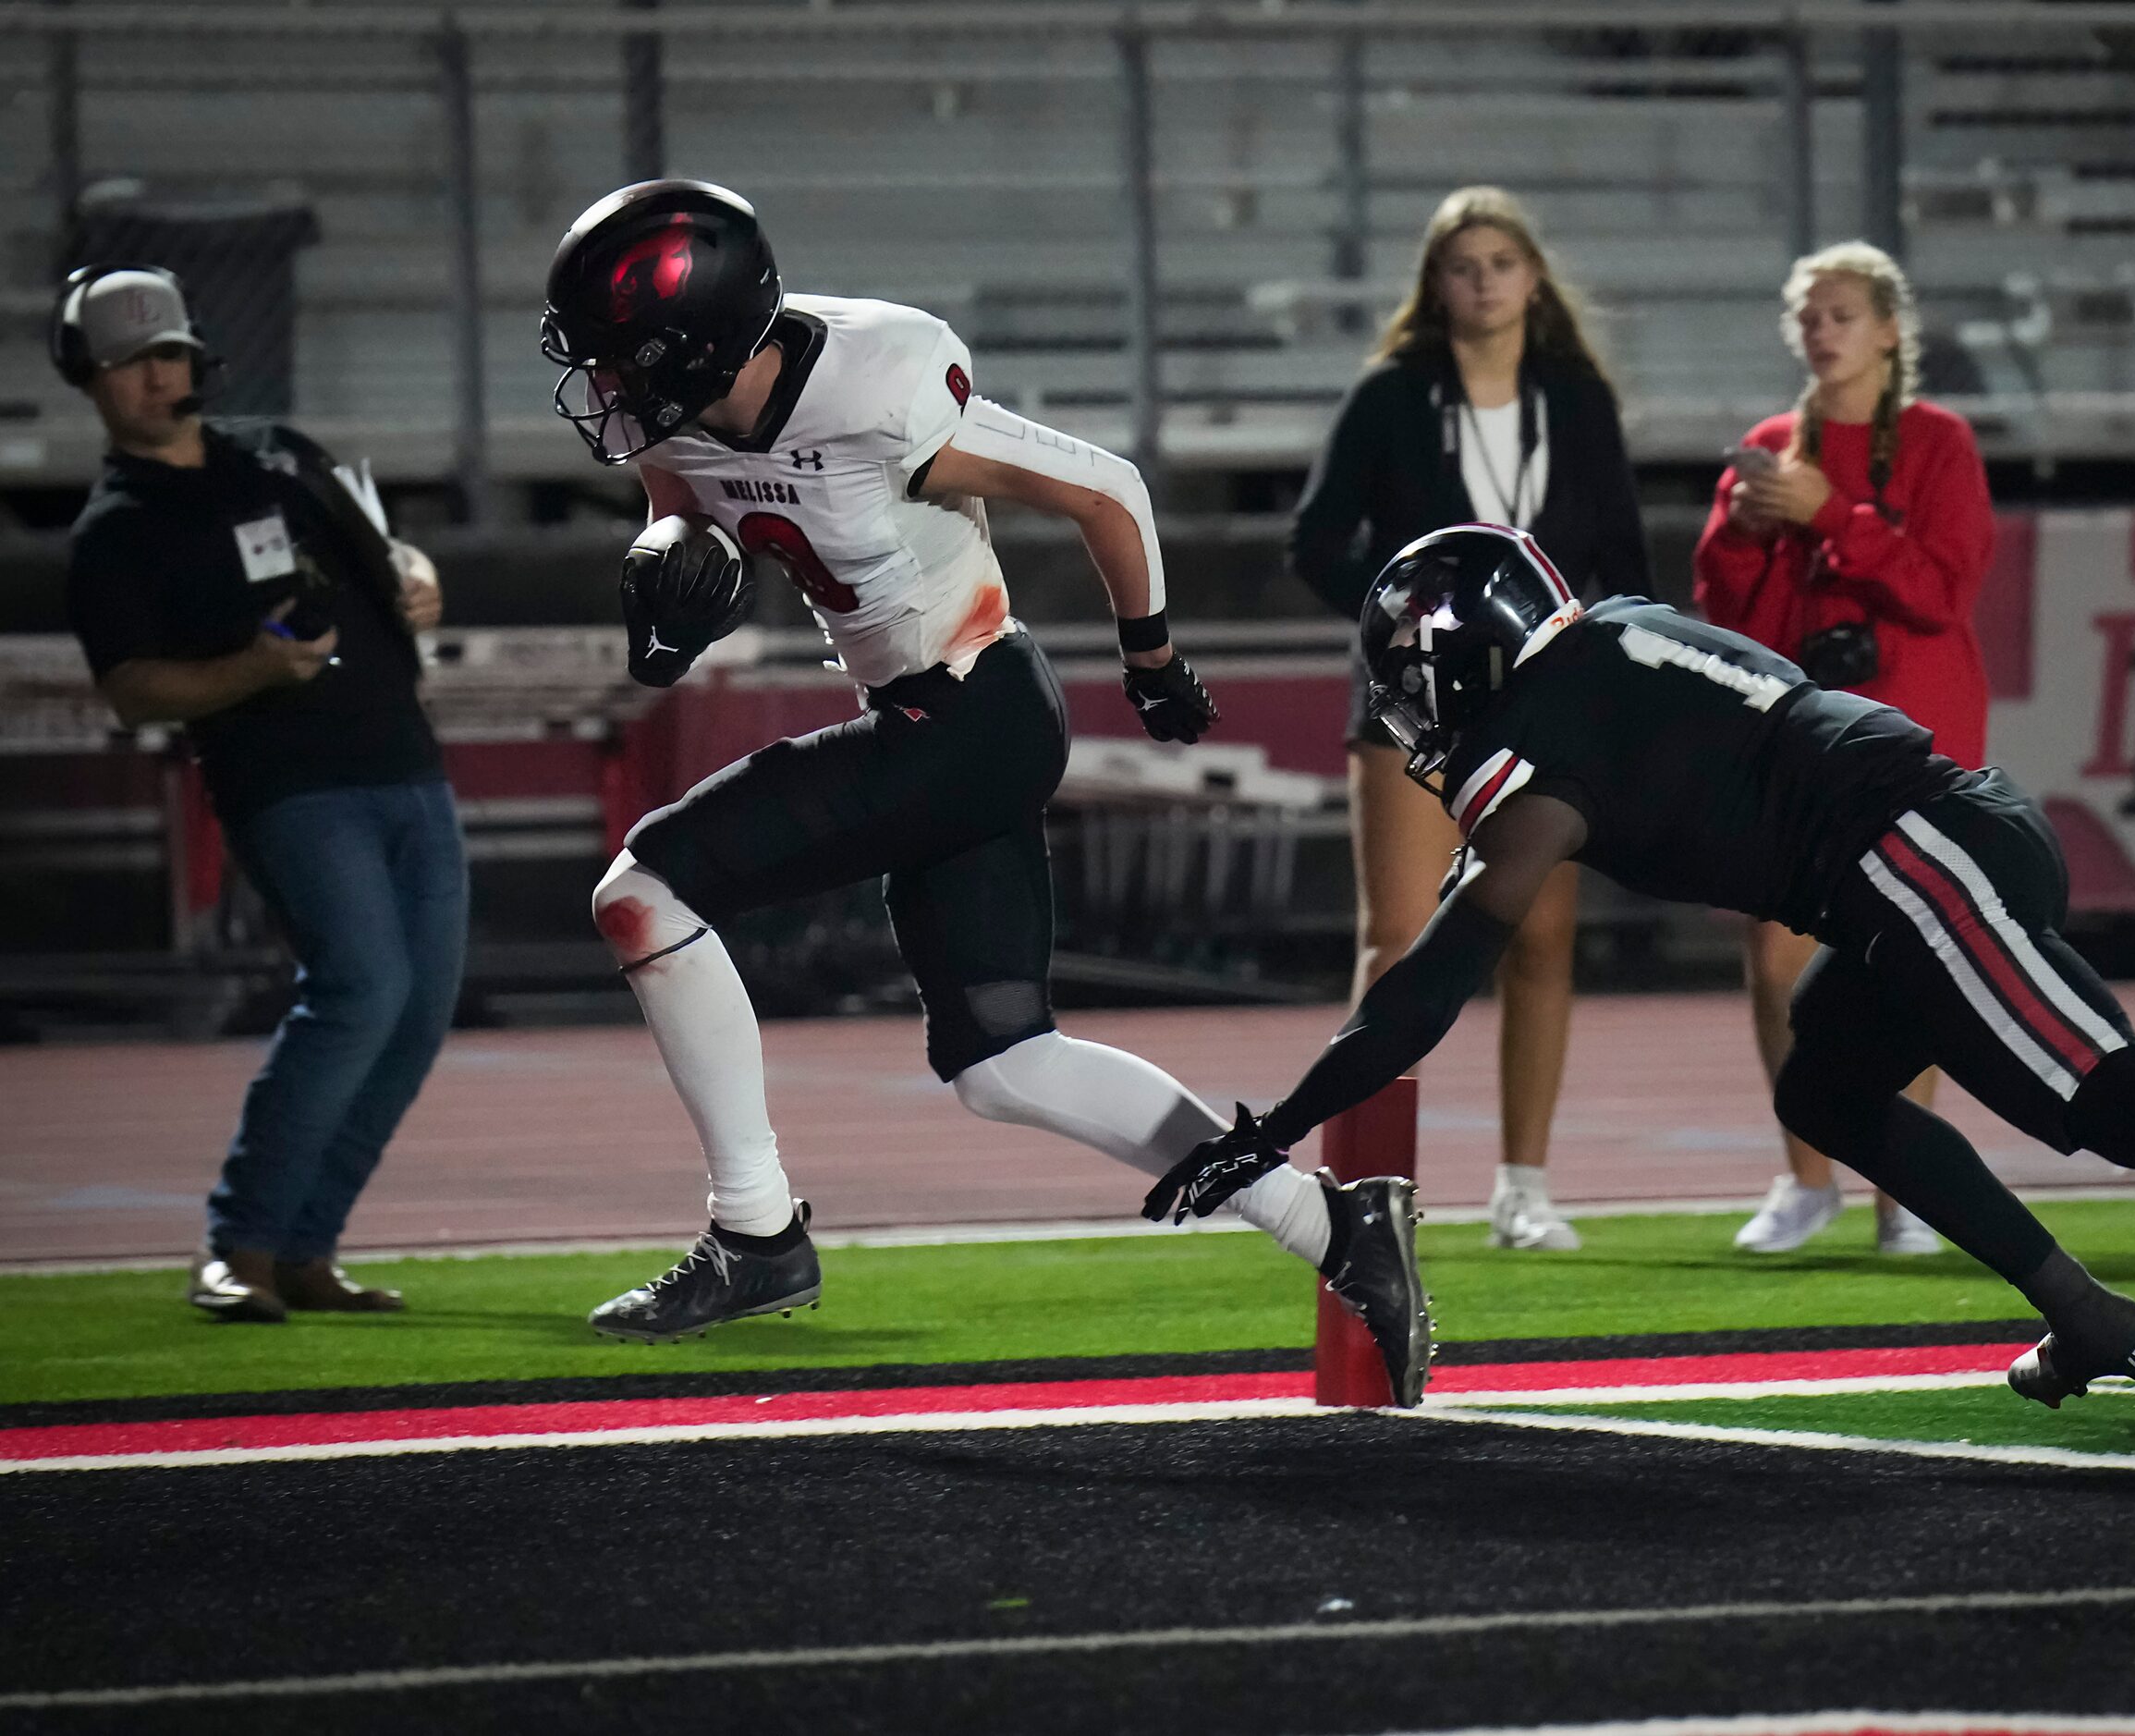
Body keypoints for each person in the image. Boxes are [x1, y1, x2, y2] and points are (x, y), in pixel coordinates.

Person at [1144, 525, 2135, 1406]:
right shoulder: (1619, 627)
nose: (1407, 713)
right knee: (1826, 1082)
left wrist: (1265, 1135)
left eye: (1412, 677)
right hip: (1916, 845)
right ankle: (2072, 1306)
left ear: (1467, 655)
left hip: (1911, 854)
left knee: (2116, 1109)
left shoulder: (1541, 763)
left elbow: (1428, 984)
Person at [538, 180, 1428, 1403]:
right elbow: (695, 532)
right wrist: (665, 622)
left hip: (976, 714)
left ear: (698, 344)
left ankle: (754, 1235)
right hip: (924, 721)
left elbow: (1107, 487)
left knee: (645, 889)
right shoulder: (676, 419)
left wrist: (1154, 657)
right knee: (1005, 1062)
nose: (605, 391)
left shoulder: (873, 383)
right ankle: (1337, 1227)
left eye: (619, 362)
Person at [56, 264, 460, 1324]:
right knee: (361, 992)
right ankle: (234, 1247)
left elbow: (388, 549)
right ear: (87, 383)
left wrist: (414, 573)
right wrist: (254, 670)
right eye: (131, 363)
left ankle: (305, 1251)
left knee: (417, 1014)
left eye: (170, 355)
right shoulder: (113, 530)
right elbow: (133, 691)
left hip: (405, 763)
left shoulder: (282, 454)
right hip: (288, 784)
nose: (157, 376)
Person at [1289, 186, 1647, 1253]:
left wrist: (1604, 661)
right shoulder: (1393, 397)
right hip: (1413, 713)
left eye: (1501, 261)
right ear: (1434, 285)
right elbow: (1316, 543)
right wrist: (1405, 620)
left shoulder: (1576, 401)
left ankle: (1522, 1189)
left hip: (1546, 709)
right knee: (1396, 942)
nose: (1484, 279)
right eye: (1463, 264)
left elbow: (1624, 557)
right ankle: (1366, 1192)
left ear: (1534, 279)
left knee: (1539, 941)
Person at [1693, 242, 1994, 1259]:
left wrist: (1834, 515)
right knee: (1775, 956)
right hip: (1797, 737)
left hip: (1911, 735)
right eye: (1809, 316)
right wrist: (1741, 530)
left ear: (1890, 330)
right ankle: (1805, 1176)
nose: (1822, 331)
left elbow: (1943, 591)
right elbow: (1725, 613)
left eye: (1843, 314)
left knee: (1903, 959)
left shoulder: (1940, 443)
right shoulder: (1774, 443)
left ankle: (1906, 1190)